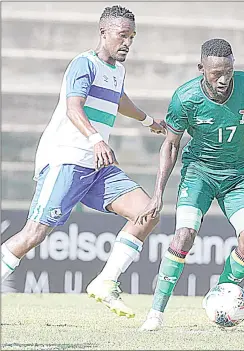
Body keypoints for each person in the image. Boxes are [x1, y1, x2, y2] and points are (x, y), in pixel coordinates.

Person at [1, 5, 166, 319]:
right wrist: (96, 139)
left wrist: (147, 120)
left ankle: (105, 282)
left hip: (97, 166)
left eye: (132, 37)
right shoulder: (83, 64)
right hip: (67, 159)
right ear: (103, 32)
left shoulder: (118, 70)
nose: (128, 42)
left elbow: (118, 99)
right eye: (122, 35)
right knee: (33, 234)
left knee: (147, 212)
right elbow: (73, 108)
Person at [136, 38, 244, 331]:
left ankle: (221, 297)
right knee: (183, 235)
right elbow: (171, 145)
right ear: (201, 69)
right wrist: (158, 194)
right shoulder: (185, 98)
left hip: (240, 175)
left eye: (228, 71)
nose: (223, 79)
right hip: (200, 174)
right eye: (215, 73)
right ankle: (155, 314)